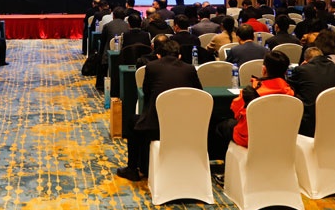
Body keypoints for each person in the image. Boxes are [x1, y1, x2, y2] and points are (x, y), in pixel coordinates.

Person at [116, 38, 202, 181]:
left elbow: (146, 93)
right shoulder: (190, 69)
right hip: (186, 127)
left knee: (132, 121)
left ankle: (132, 169)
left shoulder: (152, 67)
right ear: (179, 56)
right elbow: (199, 93)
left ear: (158, 55)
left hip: (156, 128)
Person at [211, 51, 295, 166]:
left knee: (222, 126)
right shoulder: (291, 92)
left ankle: (224, 167)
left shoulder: (251, 92)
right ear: (285, 72)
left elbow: (236, 112)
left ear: (264, 70)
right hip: (281, 138)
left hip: (250, 138)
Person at [289, 48, 335, 137]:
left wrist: (302, 66)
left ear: (306, 60)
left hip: (308, 121)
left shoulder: (301, 70)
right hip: (333, 119)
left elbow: (290, 88)